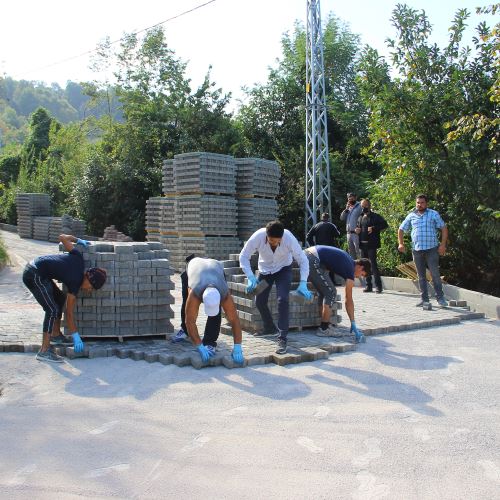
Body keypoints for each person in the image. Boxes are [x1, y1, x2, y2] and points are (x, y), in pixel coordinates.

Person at [22, 234, 107, 363]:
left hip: (39, 271)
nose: (89, 290)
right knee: (52, 310)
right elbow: (69, 313)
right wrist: (76, 336)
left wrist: (78, 240)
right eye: (91, 287)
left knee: (60, 298)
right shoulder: (75, 282)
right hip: (33, 274)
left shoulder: (78, 258)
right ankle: (44, 351)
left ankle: (55, 335)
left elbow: (63, 237)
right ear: (88, 279)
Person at [239, 220, 312, 355]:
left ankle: (282, 338)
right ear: (266, 235)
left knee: (282, 299)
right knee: (259, 301)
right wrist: (250, 277)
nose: (274, 243)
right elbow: (243, 256)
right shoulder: (258, 236)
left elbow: (303, 259)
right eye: (271, 241)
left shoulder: (289, 238)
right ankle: (269, 327)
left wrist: (303, 282)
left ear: (282, 237)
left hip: (283, 270)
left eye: (277, 241)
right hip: (265, 272)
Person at [175, 256, 244, 365]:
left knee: (216, 315)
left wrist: (237, 346)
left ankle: (209, 342)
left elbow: (234, 320)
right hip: (194, 268)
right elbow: (190, 321)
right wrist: (199, 346)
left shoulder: (224, 294)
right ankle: (185, 331)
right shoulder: (194, 292)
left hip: (215, 267)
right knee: (187, 307)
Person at [305, 245, 371, 343]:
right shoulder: (349, 269)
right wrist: (353, 322)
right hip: (312, 259)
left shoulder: (349, 261)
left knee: (325, 292)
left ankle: (325, 325)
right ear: (360, 267)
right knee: (331, 292)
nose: (358, 277)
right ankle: (323, 329)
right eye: (361, 274)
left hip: (309, 255)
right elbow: (348, 299)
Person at [398, 194, 449, 307]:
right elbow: (401, 229)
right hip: (417, 249)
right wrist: (401, 243)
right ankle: (424, 299)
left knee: (435, 274)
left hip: (432, 249)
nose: (419, 205)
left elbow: (444, 228)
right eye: (418, 203)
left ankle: (440, 298)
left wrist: (443, 245)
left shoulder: (433, 214)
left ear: (426, 203)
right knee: (420, 275)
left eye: (422, 203)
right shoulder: (411, 215)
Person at [355, 199, 388, 293]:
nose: (363, 207)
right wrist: (357, 230)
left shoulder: (375, 216)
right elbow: (358, 228)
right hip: (362, 244)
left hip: (372, 244)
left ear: (369, 206)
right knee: (364, 266)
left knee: (373, 265)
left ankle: (378, 287)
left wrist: (374, 228)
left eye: (365, 205)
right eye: (362, 206)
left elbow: (385, 225)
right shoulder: (360, 217)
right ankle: (368, 286)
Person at [340, 192, 362, 259]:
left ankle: (362, 267)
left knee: (359, 251)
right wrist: (346, 209)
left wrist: (360, 227)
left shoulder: (360, 206)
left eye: (352, 198)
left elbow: (364, 217)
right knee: (351, 252)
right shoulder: (348, 208)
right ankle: (354, 268)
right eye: (349, 199)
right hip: (349, 233)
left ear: (355, 198)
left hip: (356, 233)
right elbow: (342, 218)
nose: (350, 200)